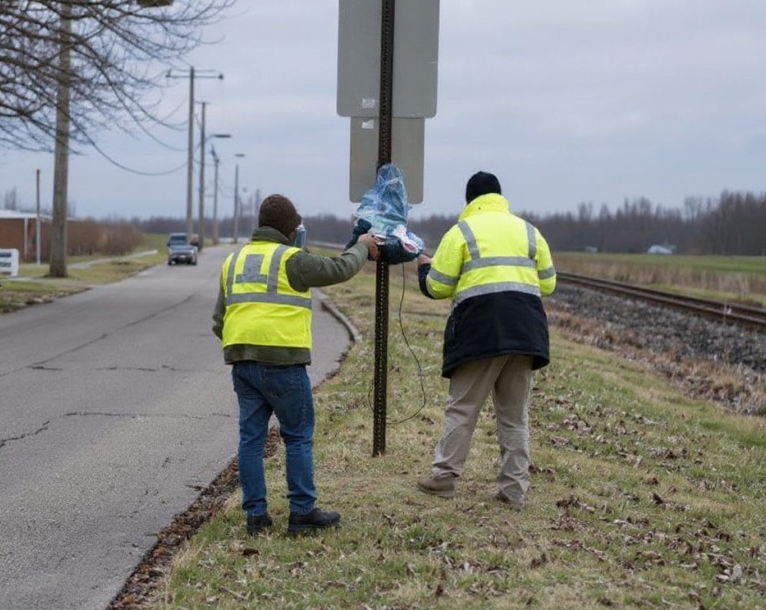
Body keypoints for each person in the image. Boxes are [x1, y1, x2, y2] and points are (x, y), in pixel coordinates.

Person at [212, 194, 380, 535]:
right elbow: (340, 268)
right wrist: (362, 246)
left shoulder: (233, 262)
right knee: (298, 437)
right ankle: (302, 512)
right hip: (283, 365)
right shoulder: (292, 259)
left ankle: (256, 517)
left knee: (251, 440)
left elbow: (219, 320)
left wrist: (246, 343)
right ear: (291, 229)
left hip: (243, 364)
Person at [415, 172, 556, 509]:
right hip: (526, 331)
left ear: (469, 201)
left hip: (480, 330)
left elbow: (437, 287)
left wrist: (424, 268)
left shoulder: (461, 232)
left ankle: (444, 477)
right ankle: (514, 491)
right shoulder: (528, 231)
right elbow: (548, 284)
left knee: (463, 407)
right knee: (514, 415)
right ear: (499, 197)